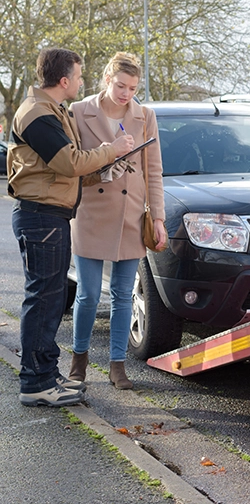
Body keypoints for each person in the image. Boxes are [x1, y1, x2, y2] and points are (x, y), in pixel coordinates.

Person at [8, 48, 134, 406]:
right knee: (44, 300)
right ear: (64, 81)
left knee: (50, 300)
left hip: (50, 216)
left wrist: (105, 170)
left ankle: (46, 376)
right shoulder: (37, 114)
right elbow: (68, 163)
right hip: (41, 217)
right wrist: (112, 150)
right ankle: (36, 383)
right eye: (78, 76)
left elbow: (64, 169)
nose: (81, 82)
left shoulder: (50, 111)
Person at [68, 52, 166, 391]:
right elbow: (72, 165)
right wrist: (109, 154)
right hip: (90, 214)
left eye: (133, 88)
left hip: (131, 214)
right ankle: (78, 362)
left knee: (124, 295)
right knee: (89, 294)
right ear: (108, 78)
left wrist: (159, 218)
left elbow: (154, 171)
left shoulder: (145, 116)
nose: (126, 94)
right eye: (121, 85)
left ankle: (117, 366)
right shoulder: (79, 112)